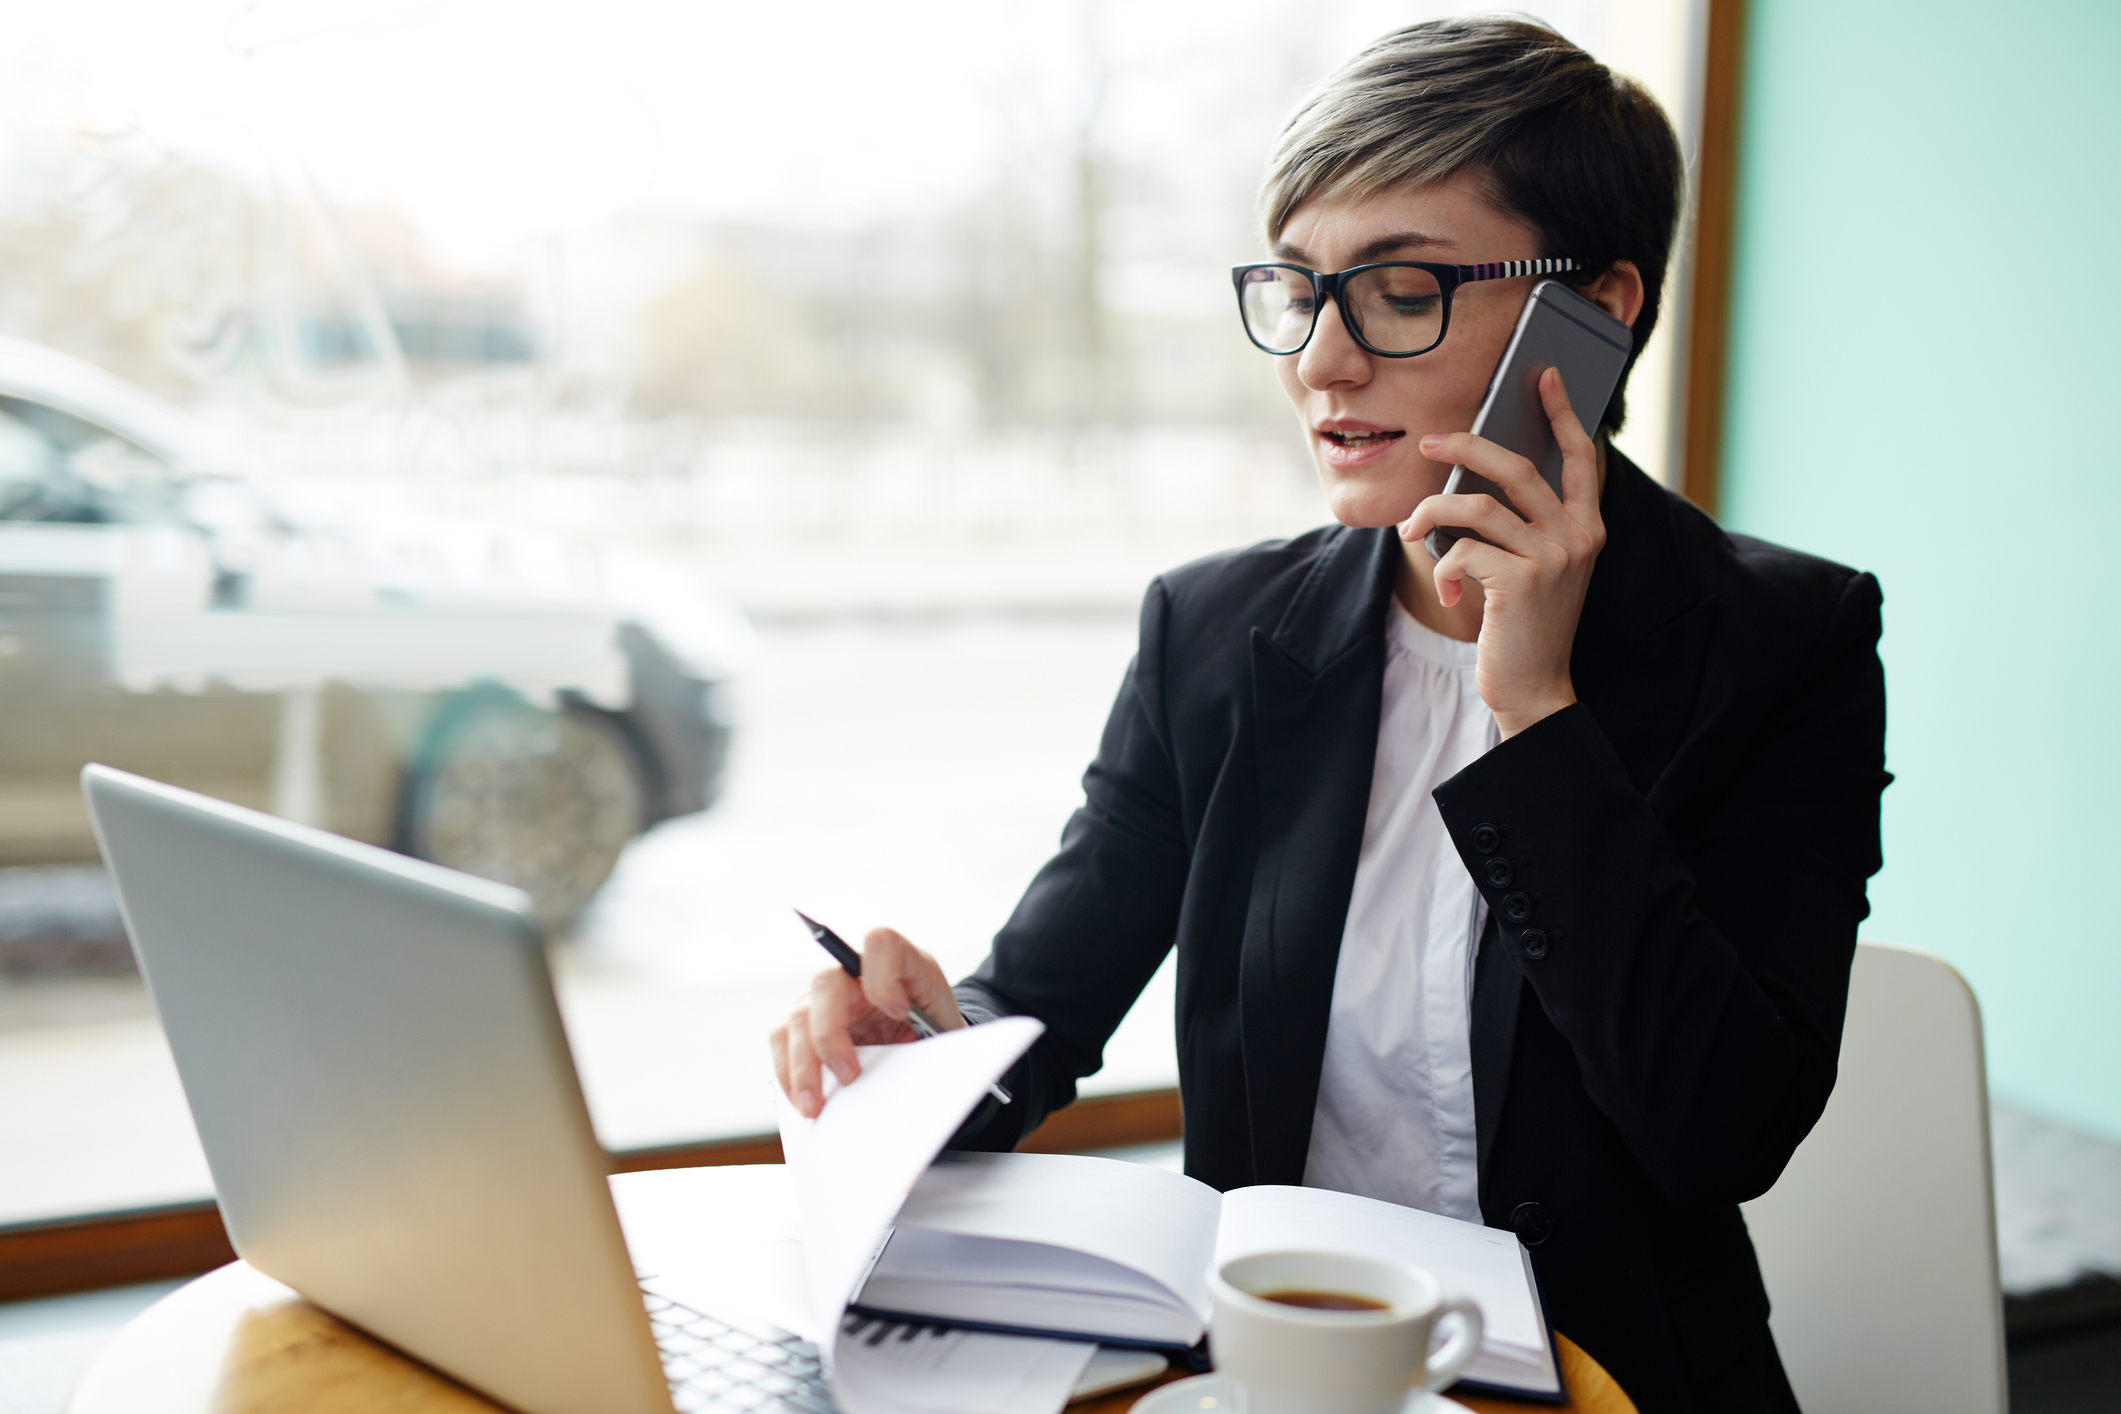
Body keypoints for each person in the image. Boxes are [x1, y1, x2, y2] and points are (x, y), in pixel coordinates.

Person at [770, 17, 1887, 1413]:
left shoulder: (1781, 645)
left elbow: (1715, 1128)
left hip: (1612, 1386)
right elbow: (1038, 1005)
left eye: (1400, 289)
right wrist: (911, 1060)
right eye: (1297, 290)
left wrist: (1533, 711)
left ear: (1595, 313)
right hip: (1279, 1380)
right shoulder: (1217, 634)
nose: (1320, 362)